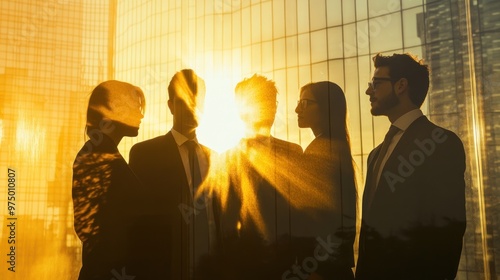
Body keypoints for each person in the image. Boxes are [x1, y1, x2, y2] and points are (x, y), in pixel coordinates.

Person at [355, 53, 466, 279]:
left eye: (376, 83)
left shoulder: (440, 142)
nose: (369, 91)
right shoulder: (375, 154)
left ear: (401, 86)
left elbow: (448, 232)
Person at [129, 69, 216, 280]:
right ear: (170, 106)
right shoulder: (145, 154)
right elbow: (138, 222)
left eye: (196, 103)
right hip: (165, 270)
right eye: (183, 102)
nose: (190, 110)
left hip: (213, 268)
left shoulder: (216, 158)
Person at [215, 74, 303, 279]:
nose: (270, 108)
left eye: (272, 102)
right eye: (262, 101)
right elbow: (225, 222)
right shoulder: (227, 160)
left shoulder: (294, 153)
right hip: (245, 268)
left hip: (290, 268)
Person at [72, 80, 151, 279]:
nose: (141, 115)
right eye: (135, 107)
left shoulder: (102, 153)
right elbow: (87, 227)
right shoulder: (96, 156)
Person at [291, 81, 357, 280]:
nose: (296, 109)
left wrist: (314, 269)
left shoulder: (320, 151)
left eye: (305, 103)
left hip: (321, 271)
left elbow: (314, 219)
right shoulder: (336, 147)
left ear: (326, 107)